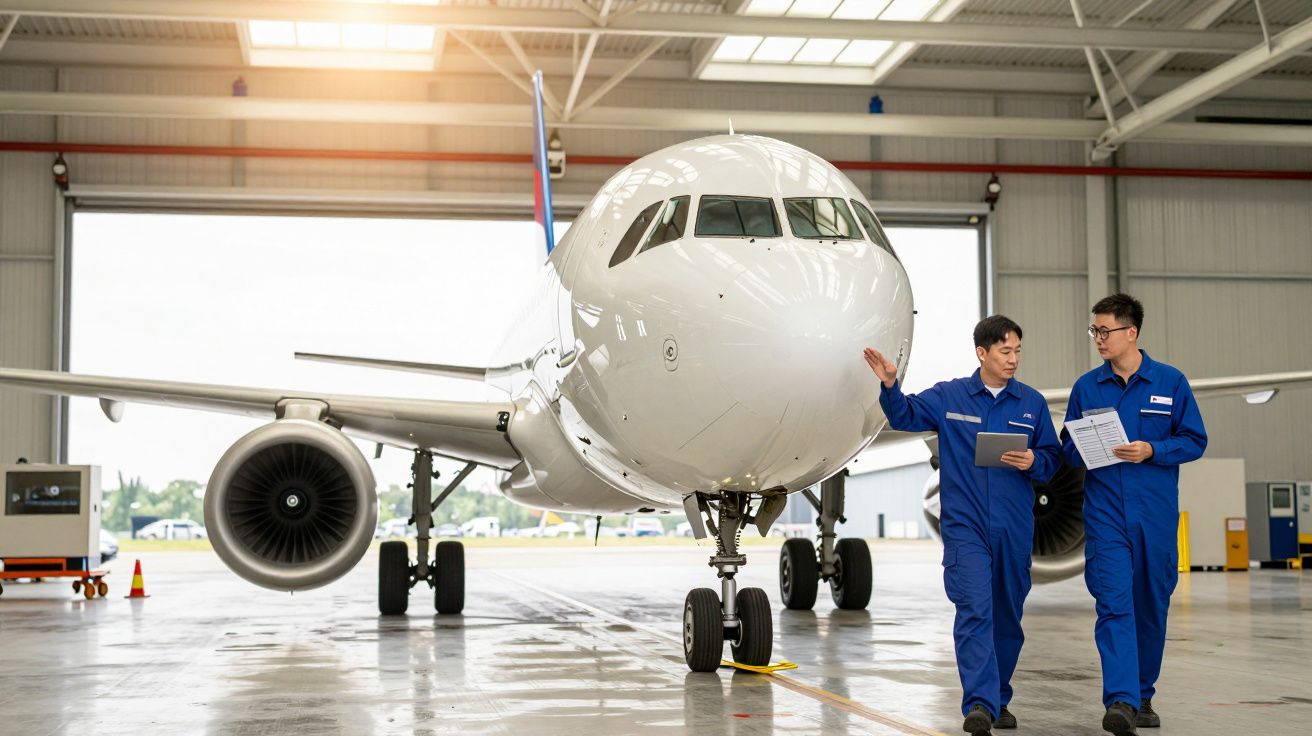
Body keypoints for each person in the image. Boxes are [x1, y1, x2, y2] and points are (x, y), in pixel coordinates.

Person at [865, 315, 1060, 735]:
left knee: (1007, 617)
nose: (1013, 360)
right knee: (974, 610)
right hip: (966, 528)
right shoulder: (950, 396)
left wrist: (1034, 461)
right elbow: (904, 415)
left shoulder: (1032, 404)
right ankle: (979, 706)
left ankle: (998, 697)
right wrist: (889, 385)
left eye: (1018, 351)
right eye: (1005, 351)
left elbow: (1052, 459)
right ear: (982, 353)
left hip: (1013, 527)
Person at [1061, 294, 1207, 736]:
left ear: (1131, 333)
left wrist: (1152, 450)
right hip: (1106, 517)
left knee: (1151, 606)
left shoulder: (1170, 381)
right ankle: (1121, 700)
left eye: (1105, 331)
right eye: (1094, 331)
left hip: (1155, 517)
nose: (1098, 339)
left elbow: (1195, 441)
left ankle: (1143, 694)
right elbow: (1066, 448)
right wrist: (1083, 448)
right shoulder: (1086, 387)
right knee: (1114, 605)